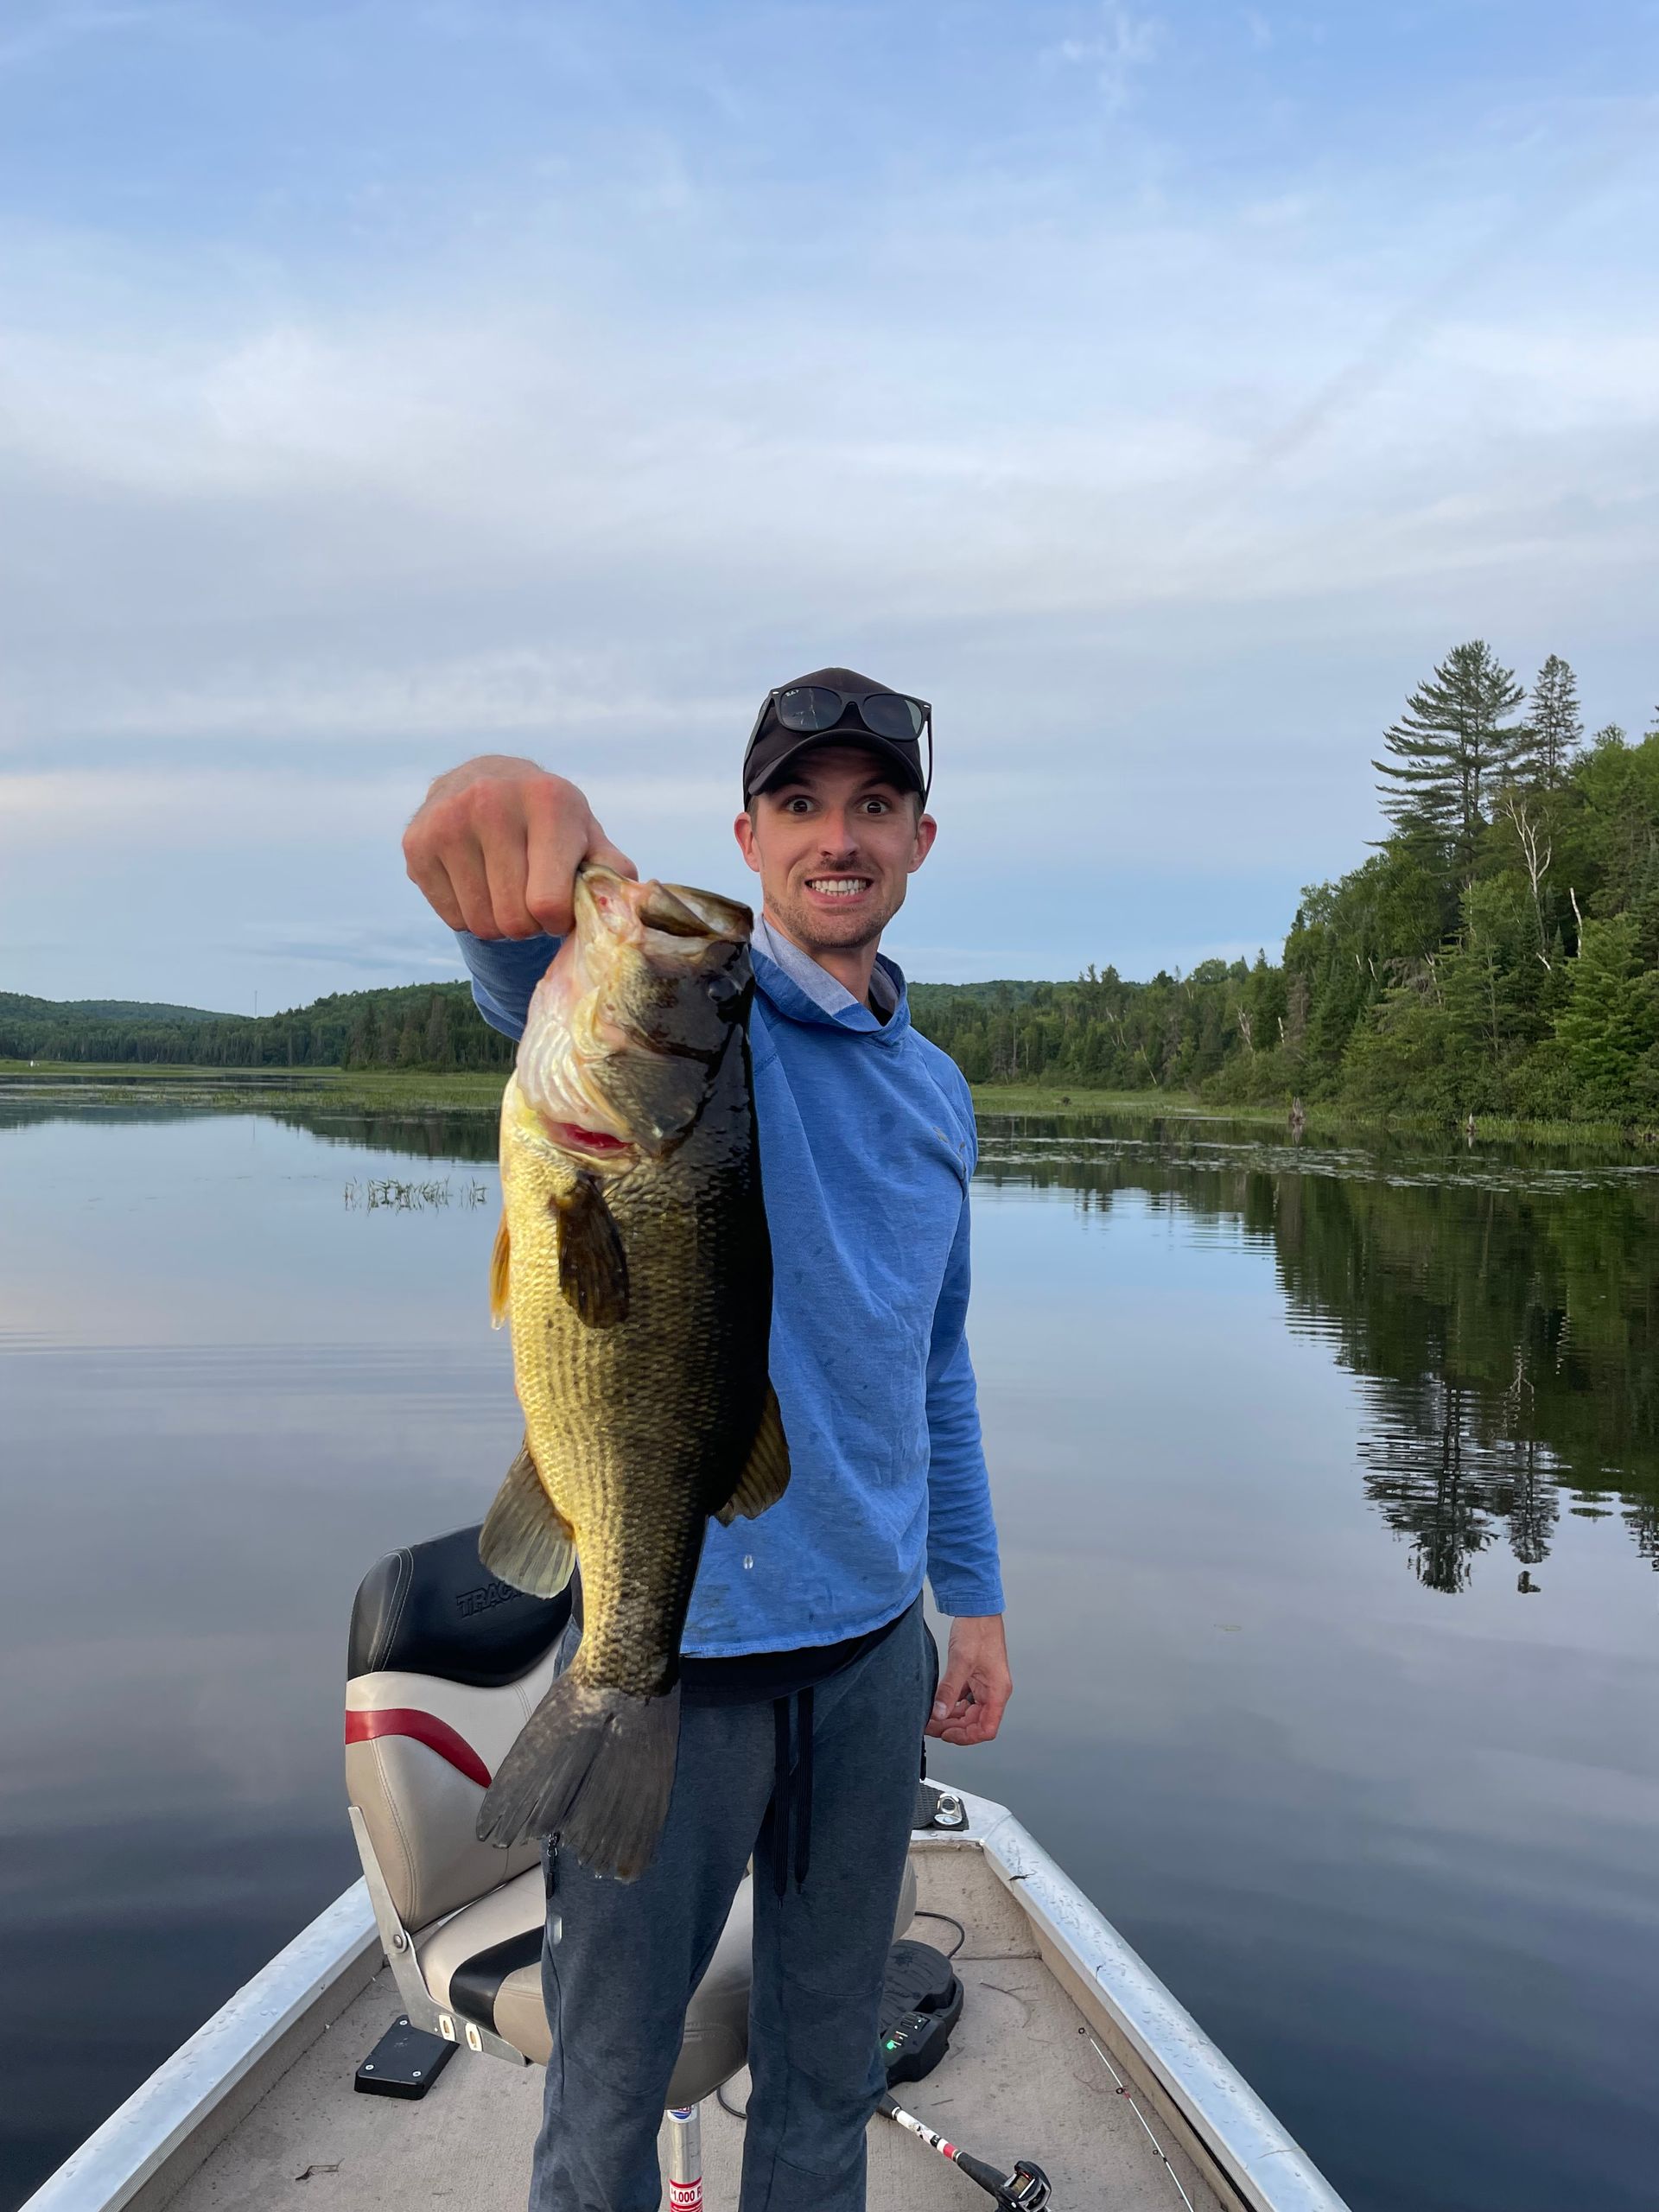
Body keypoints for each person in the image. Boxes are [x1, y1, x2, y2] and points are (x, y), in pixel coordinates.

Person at [402, 666, 1011, 2212]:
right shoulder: (710, 1028)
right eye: (801, 803)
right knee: (605, 2090)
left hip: (876, 1661)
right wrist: (501, 807)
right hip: (679, 1658)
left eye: (874, 804)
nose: (838, 836)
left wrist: (974, 1595)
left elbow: (935, 1364)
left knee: (828, 2078)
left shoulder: (939, 1094)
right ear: (748, 835)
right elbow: (525, 965)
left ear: (921, 842)